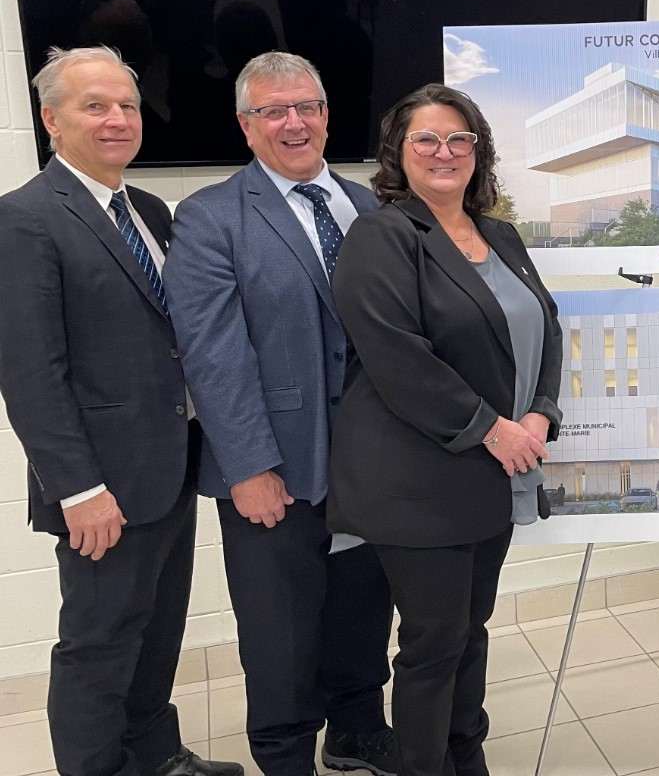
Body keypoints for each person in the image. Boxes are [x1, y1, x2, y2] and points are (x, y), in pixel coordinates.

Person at [0, 46, 242, 776]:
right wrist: (78, 489)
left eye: (128, 105)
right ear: (51, 120)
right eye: (95, 106)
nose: (117, 119)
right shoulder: (25, 219)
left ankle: (156, 757)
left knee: (158, 629)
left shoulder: (149, 210)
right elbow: (30, 374)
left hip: (168, 466)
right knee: (99, 644)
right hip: (100, 485)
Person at [162, 52, 396, 776]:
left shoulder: (371, 207)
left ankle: (357, 730)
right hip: (276, 466)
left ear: (326, 115)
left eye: (307, 107)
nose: (294, 123)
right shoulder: (211, 216)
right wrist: (249, 467)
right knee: (279, 629)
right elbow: (213, 356)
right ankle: (284, 754)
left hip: (374, 462)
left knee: (364, 606)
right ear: (246, 124)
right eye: (273, 111)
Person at [329, 83, 563, 776]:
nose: (444, 151)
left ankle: (467, 757)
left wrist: (541, 411)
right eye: (426, 139)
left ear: (477, 151)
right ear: (398, 153)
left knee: (469, 633)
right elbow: (397, 357)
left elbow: (547, 326)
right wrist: (493, 429)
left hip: (492, 476)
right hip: (416, 480)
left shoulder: (500, 235)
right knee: (433, 646)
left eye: (459, 138)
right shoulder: (382, 234)